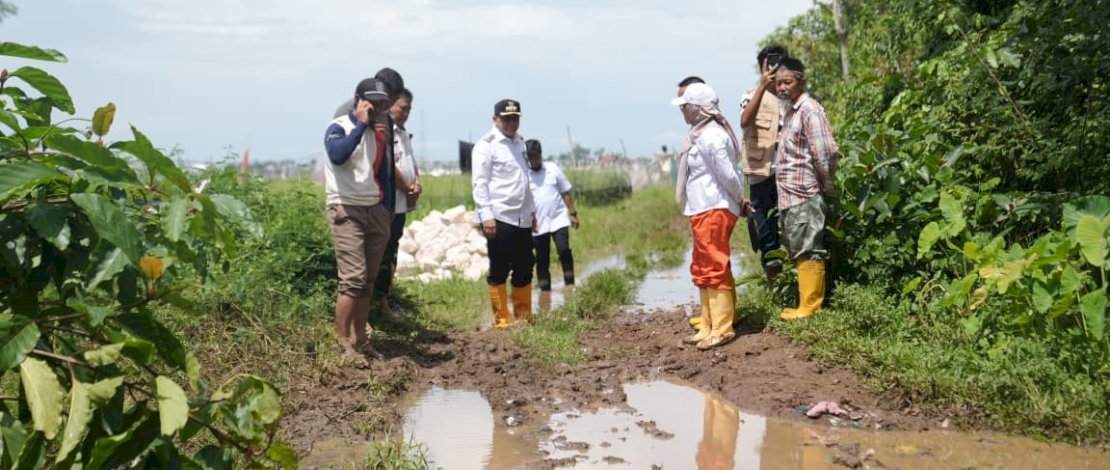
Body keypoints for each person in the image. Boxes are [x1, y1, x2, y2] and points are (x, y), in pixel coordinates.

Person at [323, 78, 395, 364]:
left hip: (374, 210)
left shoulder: (377, 133)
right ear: (358, 100)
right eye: (372, 102)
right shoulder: (339, 126)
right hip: (347, 210)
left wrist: (386, 209)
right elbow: (338, 156)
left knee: (367, 281)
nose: (377, 108)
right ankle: (343, 342)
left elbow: (382, 172)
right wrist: (361, 124)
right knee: (352, 280)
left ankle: (361, 340)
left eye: (381, 104)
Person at [671, 83, 746, 350]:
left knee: (714, 266)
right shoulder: (698, 135)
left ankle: (723, 327)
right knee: (702, 268)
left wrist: (740, 199)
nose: (683, 113)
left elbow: (729, 175)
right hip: (702, 209)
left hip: (715, 208)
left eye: (686, 108)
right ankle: (708, 324)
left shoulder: (713, 136)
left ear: (698, 109)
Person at [773, 57, 838, 320]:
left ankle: (810, 308)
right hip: (790, 196)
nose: (782, 88)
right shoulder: (790, 112)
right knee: (799, 248)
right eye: (778, 83)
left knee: (809, 247)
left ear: (801, 80)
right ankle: (805, 304)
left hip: (805, 193)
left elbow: (825, 153)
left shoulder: (810, 110)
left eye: (787, 82)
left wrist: (825, 184)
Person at [472, 99, 537, 328]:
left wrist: (532, 212)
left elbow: (524, 180)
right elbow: (480, 183)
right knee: (500, 266)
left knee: (525, 264)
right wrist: (486, 215)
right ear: (495, 119)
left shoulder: (520, 143)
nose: (511, 123)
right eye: (506, 119)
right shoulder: (486, 145)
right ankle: (502, 319)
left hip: (522, 217)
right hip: (499, 216)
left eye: (515, 118)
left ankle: (523, 314)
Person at [740, 46, 789, 287]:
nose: (774, 69)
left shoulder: (792, 99)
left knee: (793, 236)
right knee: (767, 239)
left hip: (788, 178)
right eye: (769, 64)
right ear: (762, 67)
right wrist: (763, 85)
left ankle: (794, 290)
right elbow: (745, 120)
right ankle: (776, 292)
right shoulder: (751, 96)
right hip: (761, 179)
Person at [373, 88, 421, 318]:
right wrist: (407, 187)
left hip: (403, 203)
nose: (406, 113)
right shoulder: (386, 130)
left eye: (409, 109)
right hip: (391, 201)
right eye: (403, 107)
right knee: (385, 251)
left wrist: (417, 182)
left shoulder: (402, 132)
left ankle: (387, 297)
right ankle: (380, 301)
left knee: (393, 250)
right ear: (391, 104)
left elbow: (411, 162)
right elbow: (390, 164)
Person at [525, 139, 579, 292]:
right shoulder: (524, 175)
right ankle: (545, 292)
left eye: (536, 156)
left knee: (564, 250)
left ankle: (570, 284)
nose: (534, 160)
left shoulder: (553, 169)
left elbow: (565, 192)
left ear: (541, 155)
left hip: (558, 219)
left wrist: (573, 213)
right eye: (530, 157)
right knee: (542, 259)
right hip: (538, 224)